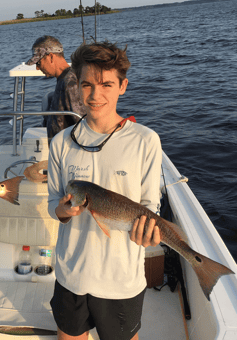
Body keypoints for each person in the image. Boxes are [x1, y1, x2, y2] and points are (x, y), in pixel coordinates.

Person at [47, 41, 162, 340]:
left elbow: (151, 205)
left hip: (121, 279)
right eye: (87, 85)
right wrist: (61, 211)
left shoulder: (145, 140)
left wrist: (149, 233)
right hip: (71, 274)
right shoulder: (61, 142)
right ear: (78, 86)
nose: (95, 95)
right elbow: (52, 202)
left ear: (123, 86)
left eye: (107, 85)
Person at [26, 35, 86, 141]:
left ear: (51, 57)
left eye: (39, 63)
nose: (37, 68)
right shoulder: (63, 79)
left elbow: (84, 126)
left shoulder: (70, 83)